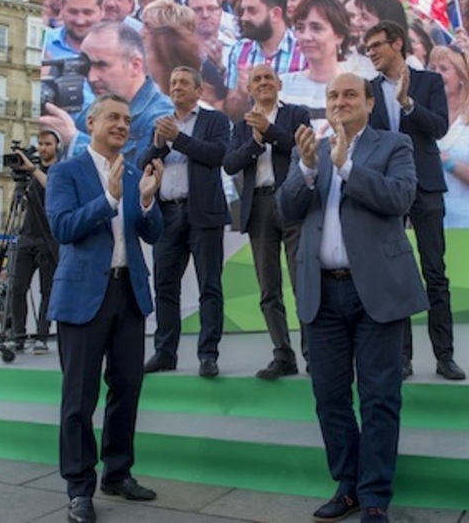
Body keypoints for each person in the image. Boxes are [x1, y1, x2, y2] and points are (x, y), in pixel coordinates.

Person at [276, 72, 427, 523]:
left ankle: (375, 494)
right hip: (321, 293)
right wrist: (307, 168)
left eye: (349, 94)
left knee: (380, 397)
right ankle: (347, 486)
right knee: (330, 397)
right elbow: (285, 209)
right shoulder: (310, 150)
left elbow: (400, 198)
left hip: (376, 291)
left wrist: (347, 168)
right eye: (332, 95)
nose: (339, 101)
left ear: (369, 102)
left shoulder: (394, 145)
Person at [45, 93, 164, 523]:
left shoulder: (133, 173)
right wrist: (108, 200)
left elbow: (152, 233)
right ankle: (79, 488)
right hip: (82, 297)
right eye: (113, 117)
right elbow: (63, 227)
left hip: (128, 294)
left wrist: (147, 201)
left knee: (127, 389)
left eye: (127, 120)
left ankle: (118, 472)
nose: (122, 125)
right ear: (91, 123)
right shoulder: (65, 172)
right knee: (79, 398)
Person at [365, 21, 465, 381]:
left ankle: (445, 356)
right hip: (387, 190)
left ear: (397, 43)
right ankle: (402, 357)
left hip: (426, 187)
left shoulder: (429, 82)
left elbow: (438, 127)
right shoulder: (368, 90)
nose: (371, 53)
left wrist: (407, 103)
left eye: (377, 45)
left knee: (435, 273)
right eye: (367, 49)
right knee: (395, 276)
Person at [139, 67, 230, 378]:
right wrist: (159, 145)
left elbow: (218, 154)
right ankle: (165, 353)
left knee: (209, 285)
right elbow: (143, 164)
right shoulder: (161, 123)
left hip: (202, 213)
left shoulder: (214, 120)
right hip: (167, 214)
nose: (176, 86)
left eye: (183, 83)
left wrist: (178, 139)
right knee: (164, 286)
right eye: (173, 82)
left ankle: (208, 354)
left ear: (198, 91)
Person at [223, 64, 311, 379]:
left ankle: (313, 355)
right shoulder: (241, 126)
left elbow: (302, 148)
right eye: (257, 79)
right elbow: (230, 163)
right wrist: (255, 142)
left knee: (303, 283)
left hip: (292, 203)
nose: (263, 82)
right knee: (268, 287)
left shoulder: (297, 113)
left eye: (268, 78)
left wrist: (270, 131)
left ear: (279, 83)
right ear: (249, 88)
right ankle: (283, 355)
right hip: (258, 207)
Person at [41, 21, 173, 161]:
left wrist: (75, 141)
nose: (91, 77)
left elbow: (137, 173)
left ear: (135, 66)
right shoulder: (94, 112)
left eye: (102, 65)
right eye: (86, 66)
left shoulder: (160, 119)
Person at [8, 130, 61, 353]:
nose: (43, 148)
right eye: (40, 143)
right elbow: (19, 204)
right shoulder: (31, 172)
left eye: (48, 144)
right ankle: (18, 335)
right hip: (27, 236)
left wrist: (33, 170)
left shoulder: (60, 170)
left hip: (49, 239)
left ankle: (42, 335)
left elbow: (53, 187)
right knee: (17, 288)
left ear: (56, 146)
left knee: (47, 291)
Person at [223, 0, 307, 120]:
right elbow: (232, 113)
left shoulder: (303, 52)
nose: (244, 17)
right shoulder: (240, 49)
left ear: (275, 14)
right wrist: (242, 95)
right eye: (243, 11)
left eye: (252, 11)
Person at [428, 45, 469, 228]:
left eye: (444, 69)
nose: (437, 74)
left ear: (462, 76)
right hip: (436, 223)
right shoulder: (427, 117)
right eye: (433, 69)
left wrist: (447, 162)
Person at [280, 0, 354, 124]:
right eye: (300, 28)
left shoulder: (357, 88)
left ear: (339, 36)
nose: (306, 37)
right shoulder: (282, 86)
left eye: (316, 28)